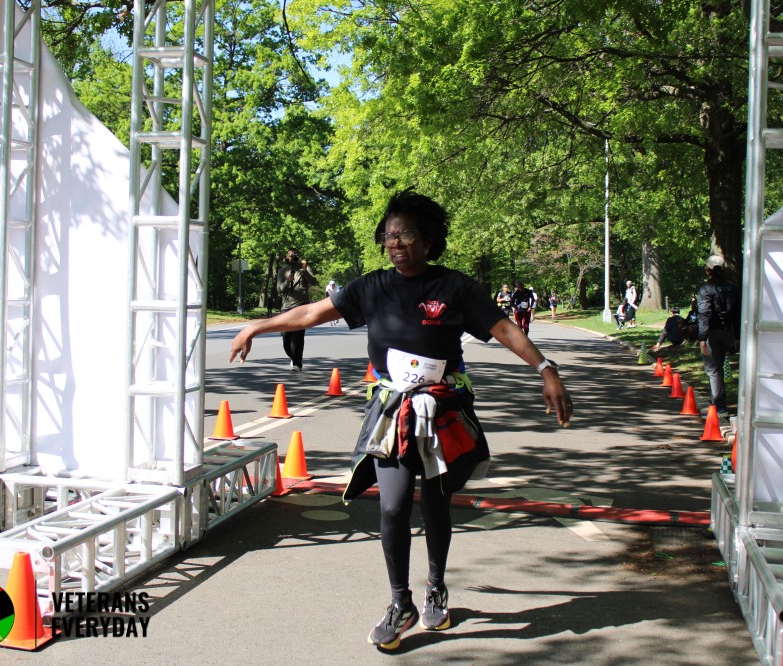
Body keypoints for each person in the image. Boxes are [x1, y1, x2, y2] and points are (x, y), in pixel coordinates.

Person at [230, 190, 572, 650]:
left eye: (406, 235)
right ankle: (400, 602)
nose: (395, 243)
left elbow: (504, 329)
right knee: (391, 506)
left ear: (428, 241)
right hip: (391, 411)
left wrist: (546, 369)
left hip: (442, 412)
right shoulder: (372, 287)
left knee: (435, 504)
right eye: (389, 236)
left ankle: (435, 588)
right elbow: (311, 312)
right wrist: (256, 325)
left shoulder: (455, 288)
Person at [698, 255, 740, 417]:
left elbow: (704, 313)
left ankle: (718, 406)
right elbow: (737, 313)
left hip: (712, 333)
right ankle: (720, 404)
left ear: (708, 270)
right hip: (727, 332)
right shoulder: (732, 287)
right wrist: (736, 336)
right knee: (719, 368)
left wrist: (702, 338)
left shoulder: (706, 289)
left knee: (713, 370)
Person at [275, 248, 318, 370]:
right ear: (287, 258)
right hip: (287, 306)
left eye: (296, 255)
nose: (294, 257)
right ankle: (294, 357)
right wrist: (288, 281)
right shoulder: (282, 271)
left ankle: (297, 362)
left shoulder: (304, 268)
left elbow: (314, 282)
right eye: (291, 255)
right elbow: (279, 289)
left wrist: (305, 271)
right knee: (286, 337)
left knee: (298, 336)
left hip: (301, 305)